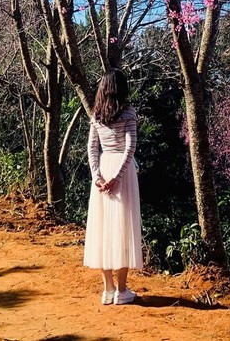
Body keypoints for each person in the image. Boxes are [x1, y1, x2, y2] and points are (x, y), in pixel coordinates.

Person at [83, 68, 143, 305]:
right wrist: (118, 177)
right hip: (122, 171)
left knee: (103, 228)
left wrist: (97, 175)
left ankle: (107, 290)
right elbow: (130, 148)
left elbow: (91, 148)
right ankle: (122, 290)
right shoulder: (128, 112)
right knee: (123, 228)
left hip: (104, 167)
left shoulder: (97, 115)